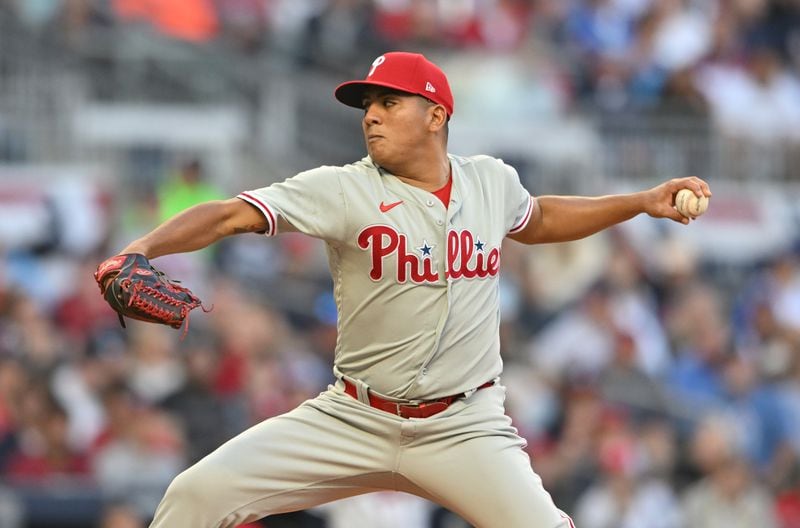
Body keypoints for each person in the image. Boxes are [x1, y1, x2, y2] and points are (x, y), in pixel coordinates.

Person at [100, 51, 711, 527]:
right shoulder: (344, 188)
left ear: (436, 115)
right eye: (367, 105)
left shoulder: (491, 182)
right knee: (194, 495)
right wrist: (139, 250)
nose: (370, 115)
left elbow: (542, 219)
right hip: (353, 417)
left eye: (389, 103)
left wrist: (639, 202)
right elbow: (233, 213)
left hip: (464, 426)